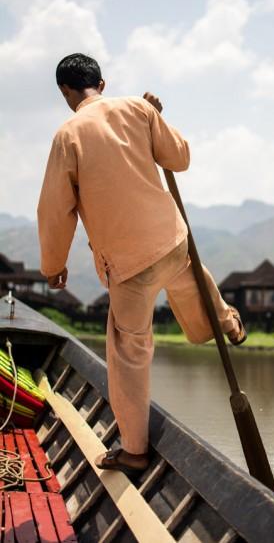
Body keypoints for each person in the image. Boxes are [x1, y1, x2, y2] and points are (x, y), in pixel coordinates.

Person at [37, 53, 246, 473]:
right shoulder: (137, 108)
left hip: (129, 267)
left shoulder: (68, 136)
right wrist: (156, 115)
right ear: (103, 82)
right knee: (191, 279)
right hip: (171, 241)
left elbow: (56, 211)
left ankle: (134, 451)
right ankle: (225, 321)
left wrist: (52, 266)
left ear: (65, 92)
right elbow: (179, 158)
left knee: (129, 352)